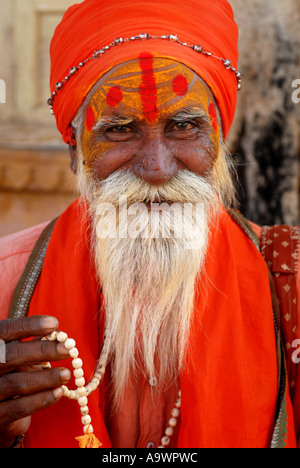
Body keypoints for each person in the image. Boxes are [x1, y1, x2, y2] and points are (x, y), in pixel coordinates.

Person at [0, 0, 299, 449]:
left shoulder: (289, 281)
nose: (156, 168)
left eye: (183, 126)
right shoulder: (7, 281)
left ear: (219, 141)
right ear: (75, 151)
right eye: (119, 129)